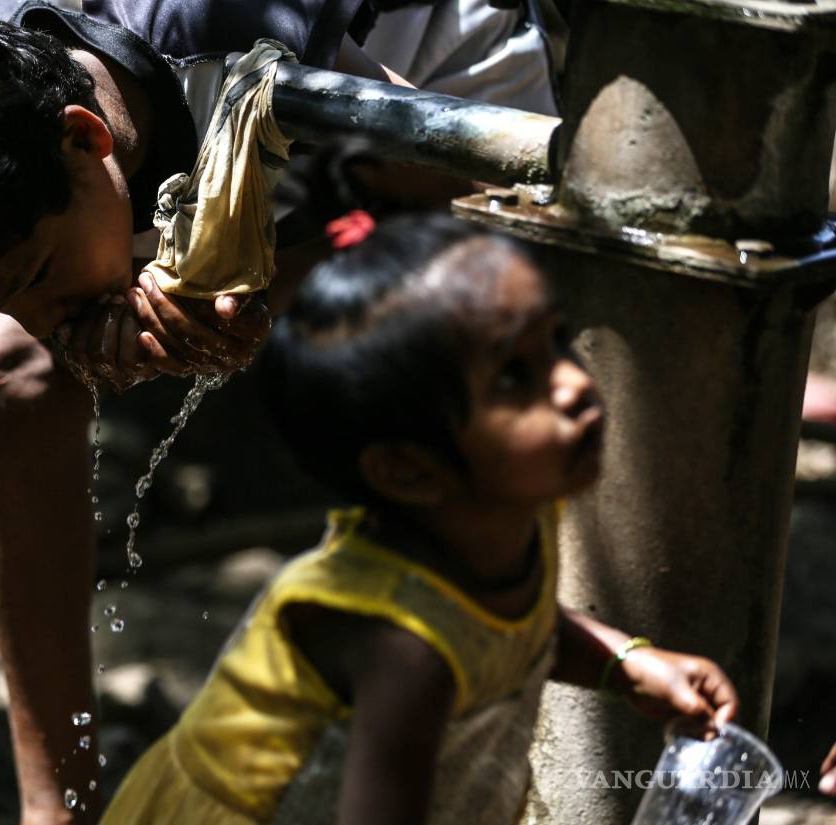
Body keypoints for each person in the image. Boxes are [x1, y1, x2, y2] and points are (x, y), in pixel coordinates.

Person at [0, 2, 420, 821]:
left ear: (85, 139)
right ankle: (58, 804)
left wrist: (263, 286)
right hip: (341, 172)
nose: (46, 320)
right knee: (7, 363)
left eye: (36, 276)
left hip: (509, 115)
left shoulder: (237, 38)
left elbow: (450, 179)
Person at [97, 208, 740, 825]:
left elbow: (510, 625)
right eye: (515, 376)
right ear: (408, 469)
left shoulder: (507, 518)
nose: (572, 384)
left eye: (557, 344)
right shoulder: (403, 652)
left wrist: (622, 665)